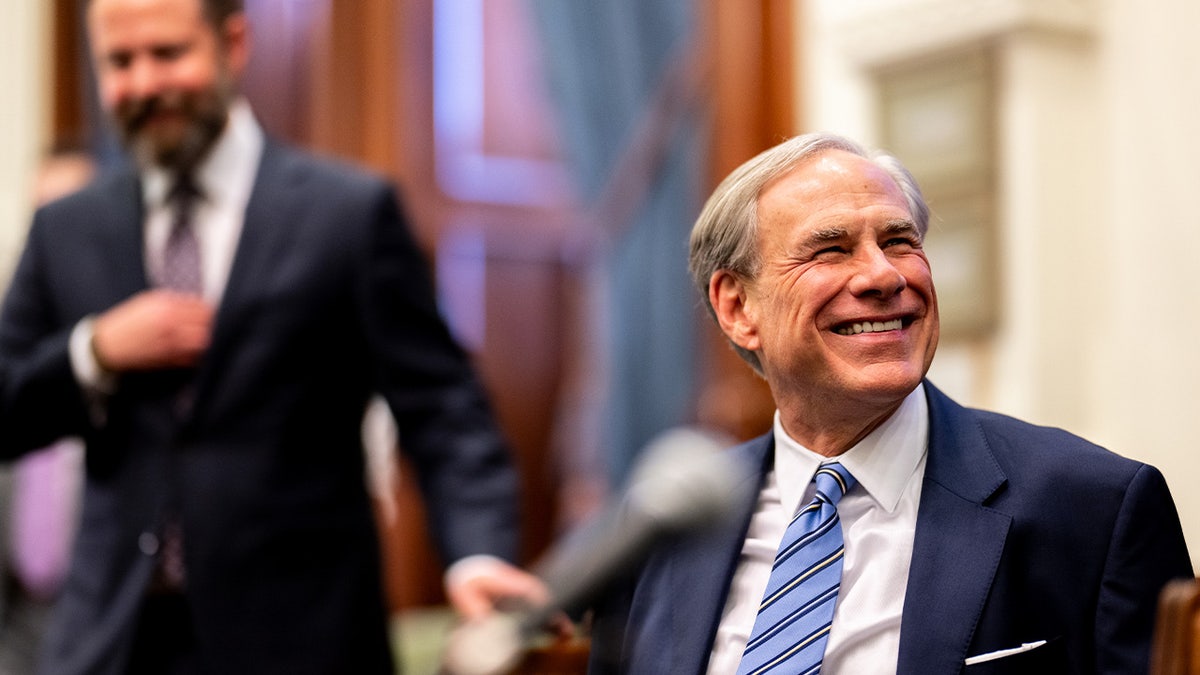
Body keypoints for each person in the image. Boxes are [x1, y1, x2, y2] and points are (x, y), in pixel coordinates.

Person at [0, 0, 543, 673]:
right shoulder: (65, 228)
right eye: (119, 61)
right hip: (110, 642)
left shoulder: (347, 214)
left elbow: (445, 411)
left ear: (233, 42)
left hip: (301, 640)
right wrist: (93, 352)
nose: (142, 84)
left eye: (167, 54)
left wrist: (477, 552)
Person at [587, 132, 1193, 674]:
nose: (883, 276)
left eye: (900, 241)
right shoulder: (662, 529)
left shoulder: (1093, 507)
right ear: (739, 308)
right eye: (830, 250)